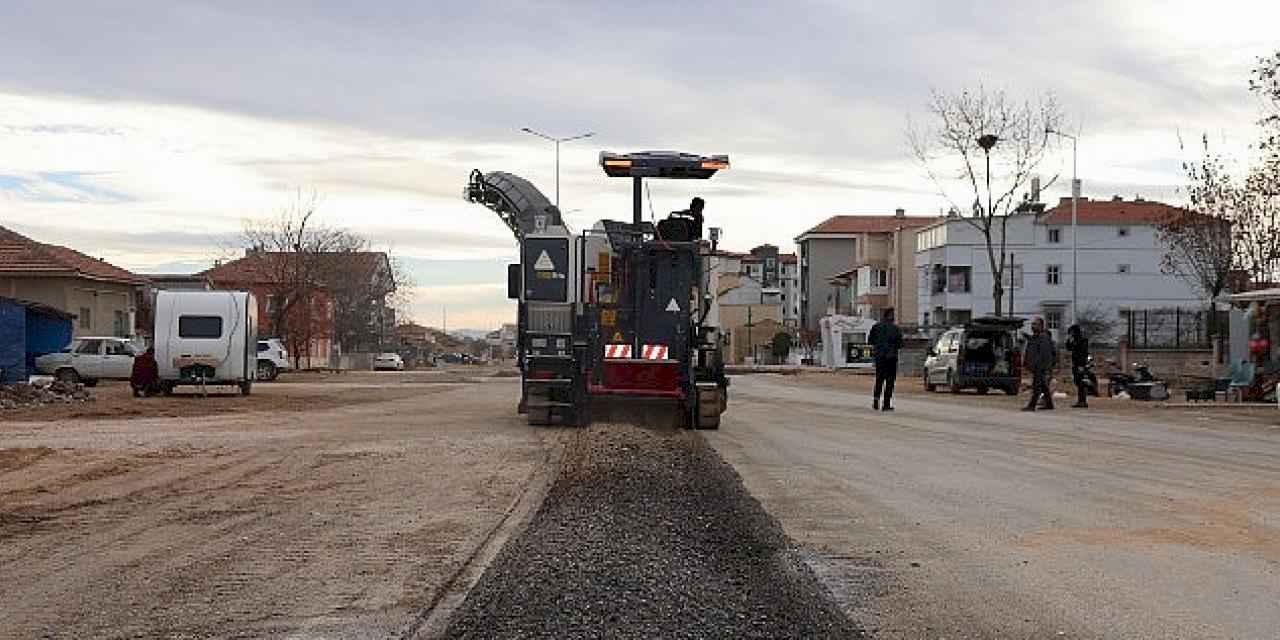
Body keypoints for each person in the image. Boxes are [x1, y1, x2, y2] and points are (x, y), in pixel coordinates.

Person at [868, 307, 903, 412]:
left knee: (879, 379)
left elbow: (870, 341)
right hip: (891, 358)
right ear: (891, 316)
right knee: (890, 381)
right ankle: (886, 404)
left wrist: (879, 347)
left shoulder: (876, 327)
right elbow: (900, 344)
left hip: (879, 357)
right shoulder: (896, 329)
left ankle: (876, 400)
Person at [1022, 317, 1057, 411]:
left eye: (1035, 324)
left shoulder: (1043, 338)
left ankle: (1032, 405)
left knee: (1037, 386)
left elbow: (1044, 354)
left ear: (1041, 326)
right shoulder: (1034, 338)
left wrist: (1040, 366)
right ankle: (1049, 404)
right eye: (1032, 324)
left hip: (1041, 367)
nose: (1033, 326)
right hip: (1036, 367)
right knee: (1043, 386)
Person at [1065, 324, 1090, 408]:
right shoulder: (1074, 340)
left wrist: (1081, 365)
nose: (1071, 334)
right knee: (1077, 381)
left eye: (1072, 332)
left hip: (1080, 364)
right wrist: (1069, 340)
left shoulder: (1082, 341)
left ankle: (1082, 401)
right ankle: (1080, 400)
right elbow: (1069, 348)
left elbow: (1083, 353)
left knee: (1080, 382)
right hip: (1075, 363)